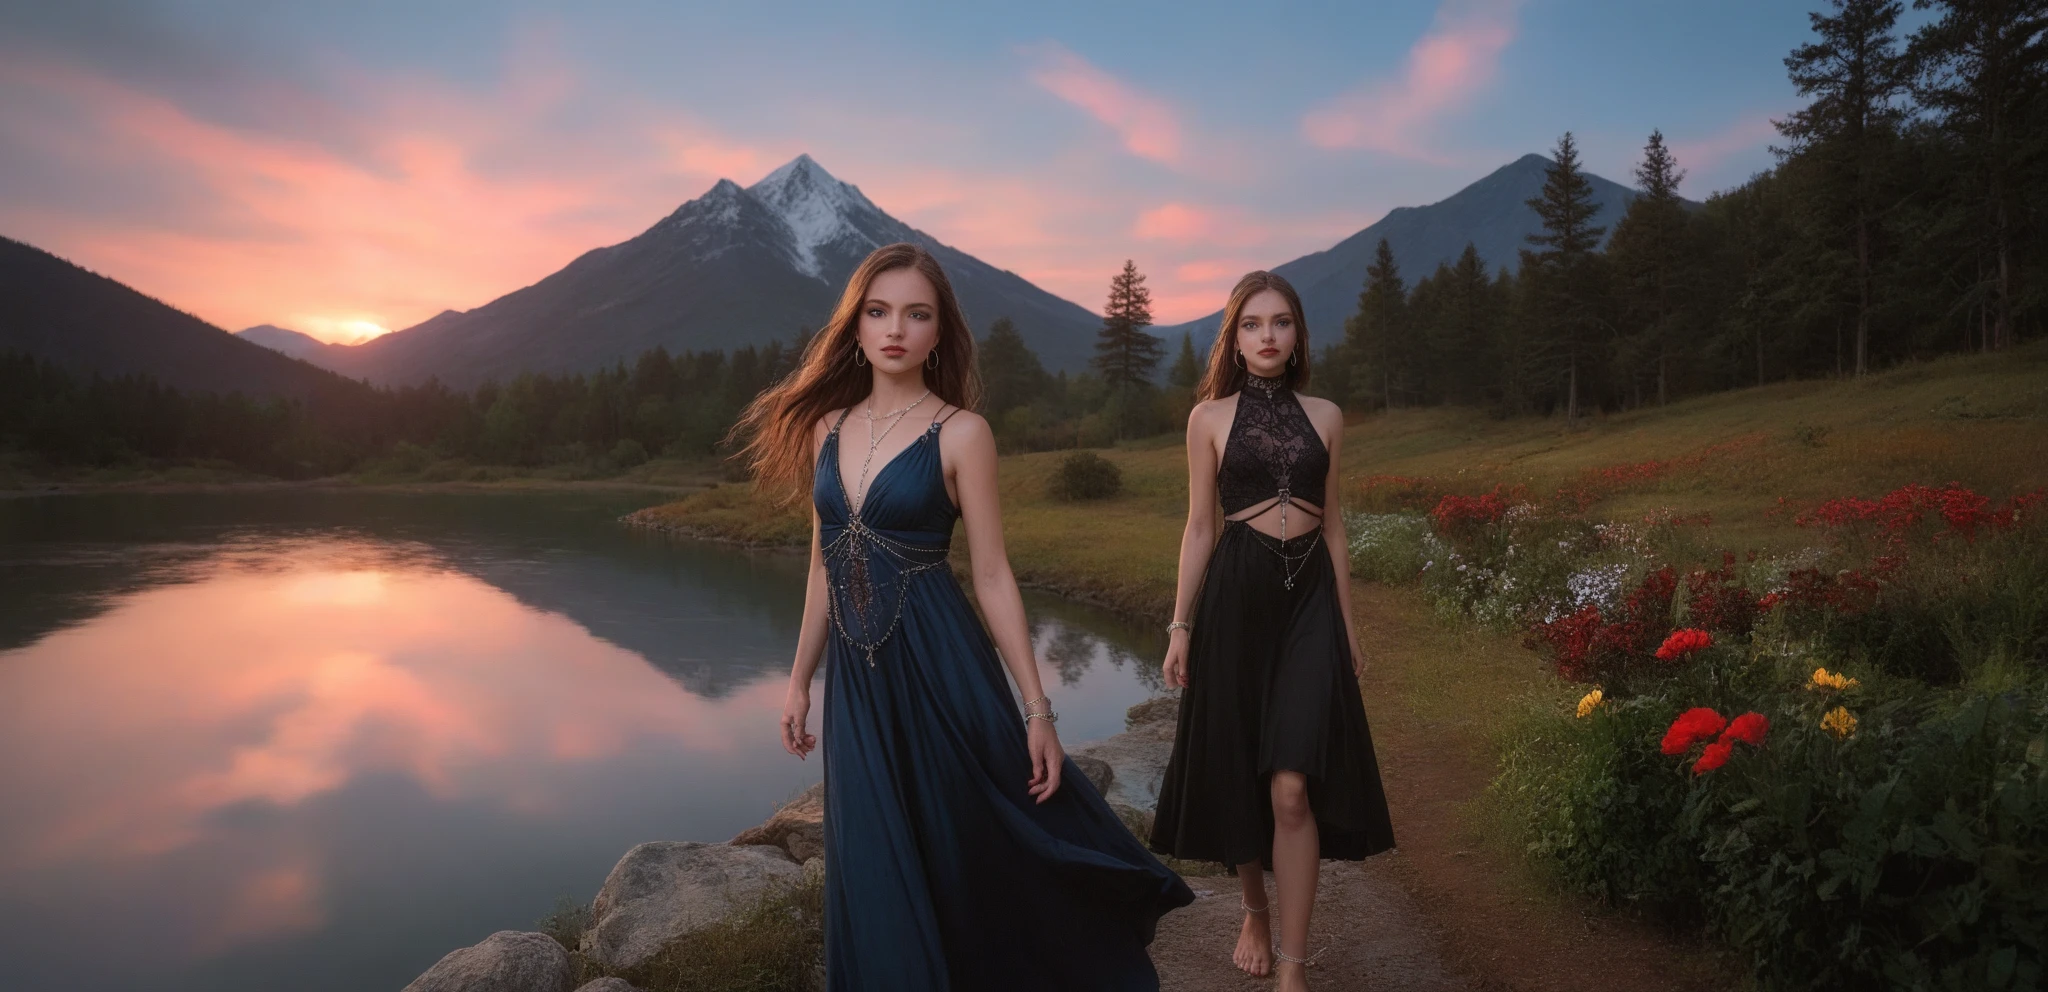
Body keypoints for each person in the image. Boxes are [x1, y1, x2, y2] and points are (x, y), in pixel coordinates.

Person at [733, 242, 1192, 990]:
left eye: (917, 314)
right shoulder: (827, 429)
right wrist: (797, 681)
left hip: (942, 667)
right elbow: (822, 567)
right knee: (873, 857)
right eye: (878, 312)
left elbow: (991, 575)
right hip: (858, 681)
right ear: (855, 327)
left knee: (967, 843)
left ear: (939, 333)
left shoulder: (962, 433)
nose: (896, 329)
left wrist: (1037, 710)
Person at [1149, 270, 1396, 991]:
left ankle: (1293, 967)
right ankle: (1254, 908)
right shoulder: (1209, 419)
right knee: (1239, 762)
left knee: (1293, 786)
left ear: (1298, 336)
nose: (1267, 336)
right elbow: (1199, 527)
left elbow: (1339, 527)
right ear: (1236, 337)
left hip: (1310, 596)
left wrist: (1348, 627)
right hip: (1236, 593)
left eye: (1280, 322)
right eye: (1253, 324)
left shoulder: (1326, 415)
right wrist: (1178, 625)